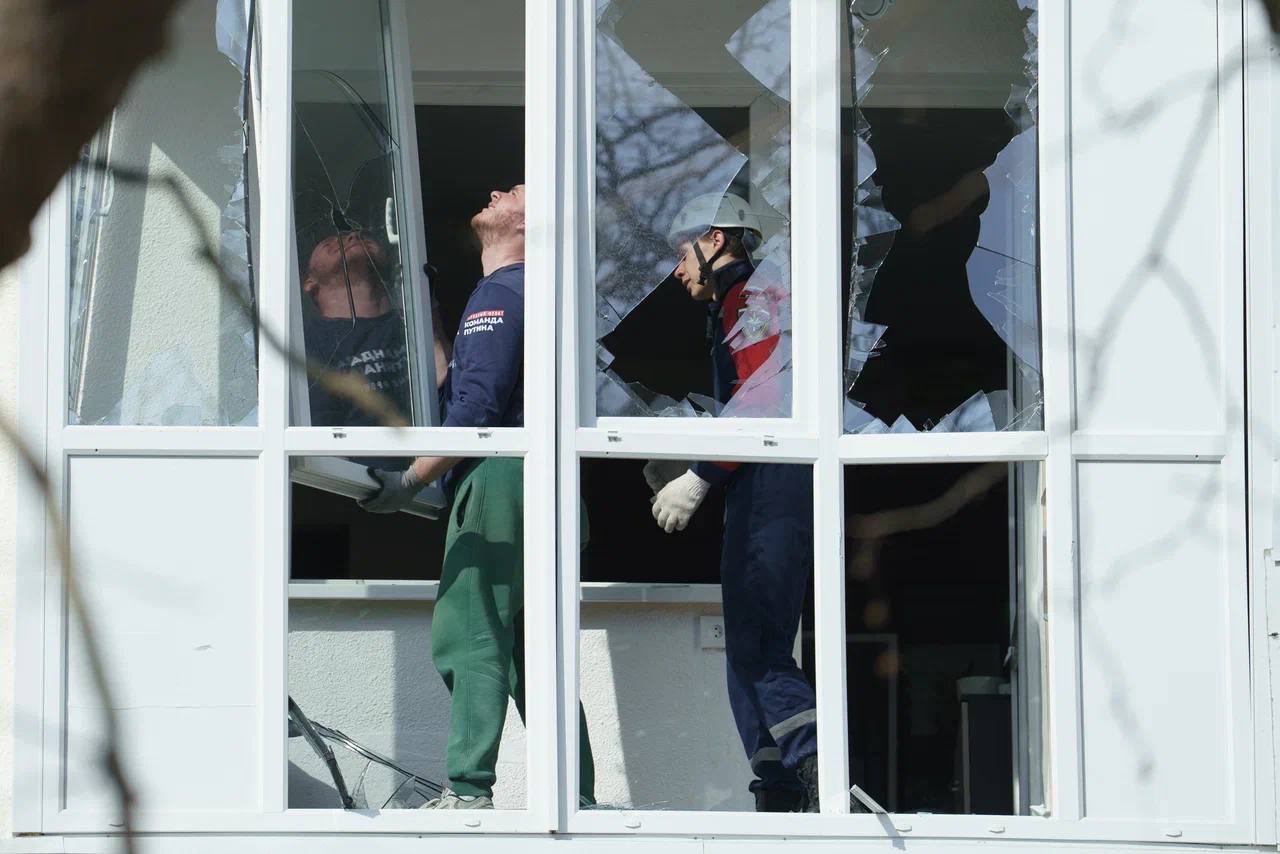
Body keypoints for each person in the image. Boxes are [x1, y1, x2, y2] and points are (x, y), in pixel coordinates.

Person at [359, 185, 596, 810]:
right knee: (531, 653)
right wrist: (433, 320)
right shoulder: (537, 295)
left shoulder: (502, 292)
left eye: (513, 190)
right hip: (549, 485)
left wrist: (410, 480)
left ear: (530, 225)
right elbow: (457, 385)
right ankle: (576, 796)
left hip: (500, 481)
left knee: (470, 631)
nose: (494, 192)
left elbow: (474, 413)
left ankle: (468, 794)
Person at [645, 192, 820, 812]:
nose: (676, 270)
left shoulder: (751, 297)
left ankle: (815, 768)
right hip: (756, 484)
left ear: (715, 239)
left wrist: (700, 476)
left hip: (771, 483)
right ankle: (778, 784)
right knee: (746, 647)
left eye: (681, 254)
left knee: (760, 644)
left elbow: (762, 400)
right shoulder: (736, 304)